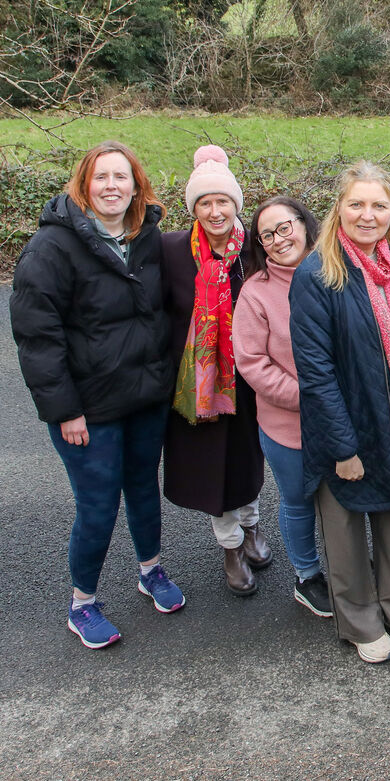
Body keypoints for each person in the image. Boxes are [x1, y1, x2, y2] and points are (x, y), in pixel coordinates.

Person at [10, 141, 184, 648]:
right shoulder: (51, 248)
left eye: (122, 176)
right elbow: (38, 339)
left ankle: (150, 570)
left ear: (136, 185)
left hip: (144, 397)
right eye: (101, 176)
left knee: (144, 488)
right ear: (84, 183)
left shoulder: (146, 237)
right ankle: (82, 602)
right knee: (98, 505)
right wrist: (65, 412)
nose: (112, 186)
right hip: (88, 409)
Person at [289, 161, 390, 663]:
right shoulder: (316, 274)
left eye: (379, 205)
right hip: (346, 423)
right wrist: (342, 446)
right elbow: (315, 372)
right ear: (338, 208)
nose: (367, 215)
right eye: (357, 204)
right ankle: (359, 619)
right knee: (346, 525)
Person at [161, 146, 267, 596]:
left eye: (223, 201)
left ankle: (252, 526)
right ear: (194, 209)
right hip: (198, 382)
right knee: (211, 466)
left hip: (249, 379)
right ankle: (230, 546)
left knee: (248, 458)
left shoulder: (256, 249)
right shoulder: (170, 251)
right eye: (204, 202)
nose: (214, 210)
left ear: (236, 205)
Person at [232, 195, 331, 617]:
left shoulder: (336, 272)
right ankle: (307, 576)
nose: (277, 239)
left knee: (347, 497)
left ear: (305, 224)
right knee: (298, 500)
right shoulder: (256, 293)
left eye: (284, 228)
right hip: (287, 424)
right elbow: (253, 363)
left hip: (346, 418)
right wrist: (311, 395)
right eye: (267, 234)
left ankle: (345, 566)